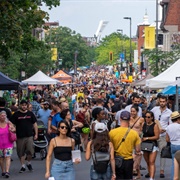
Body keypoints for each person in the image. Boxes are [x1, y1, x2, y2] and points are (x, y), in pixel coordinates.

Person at [109, 111, 141, 180]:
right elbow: (138, 149)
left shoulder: (112, 132)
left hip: (117, 160)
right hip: (128, 160)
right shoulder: (134, 133)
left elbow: (109, 146)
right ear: (129, 119)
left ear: (120, 119)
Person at [10, 100, 38, 173]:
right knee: (20, 152)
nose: (24, 106)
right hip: (20, 136)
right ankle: (23, 166)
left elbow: (35, 124)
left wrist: (36, 134)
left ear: (27, 106)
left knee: (30, 151)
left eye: (25, 105)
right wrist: (13, 128)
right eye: (22, 105)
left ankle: (29, 163)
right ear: (20, 106)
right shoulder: (16, 114)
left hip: (29, 136)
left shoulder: (30, 114)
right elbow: (10, 123)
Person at [151, 95, 172, 178]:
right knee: (151, 152)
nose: (162, 103)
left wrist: (165, 129)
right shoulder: (154, 109)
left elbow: (170, 124)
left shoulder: (169, 112)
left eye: (163, 102)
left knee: (162, 153)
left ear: (166, 102)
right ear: (158, 101)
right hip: (153, 134)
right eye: (161, 101)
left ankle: (162, 170)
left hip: (162, 135)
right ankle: (150, 170)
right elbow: (150, 117)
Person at [142, 111, 160, 180]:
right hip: (144, 145)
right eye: (145, 117)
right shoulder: (144, 124)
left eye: (148, 117)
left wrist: (147, 138)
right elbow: (141, 132)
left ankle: (152, 178)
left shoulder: (155, 125)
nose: (147, 118)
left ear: (152, 118)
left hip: (153, 145)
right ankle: (150, 175)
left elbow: (157, 136)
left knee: (151, 162)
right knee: (147, 162)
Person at [130, 105, 144, 179]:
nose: (132, 113)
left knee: (138, 155)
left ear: (137, 111)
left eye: (134, 111)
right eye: (131, 111)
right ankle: (134, 169)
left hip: (138, 139)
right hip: (129, 139)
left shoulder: (141, 119)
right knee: (132, 155)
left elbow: (142, 130)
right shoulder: (129, 119)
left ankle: (136, 171)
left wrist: (141, 138)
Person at [0, 111, 16, 178]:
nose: (3, 117)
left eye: (4, 115)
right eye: (2, 115)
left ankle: (7, 171)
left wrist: (12, 129)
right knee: (1, 158)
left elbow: (14, 130)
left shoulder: (9, 123)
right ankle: (3, 170)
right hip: (0, 144)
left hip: (8, 143)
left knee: (8, 157)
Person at [166, 111, 180, 180]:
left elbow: (167, 139)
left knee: (174, 164)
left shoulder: (168, 127)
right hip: (179, 144)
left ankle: (173, 178)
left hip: (172, 145)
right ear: (178, 119)